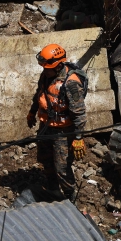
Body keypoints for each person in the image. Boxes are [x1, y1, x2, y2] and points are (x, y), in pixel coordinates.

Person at [26, 43, 87, 200]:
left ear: (58, 65)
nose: (44, 70)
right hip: (46, 127)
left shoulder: (71, 83)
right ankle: (53, 190)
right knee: (45, 159)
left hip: (63, 132)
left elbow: (79, 113)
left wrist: (78, 138)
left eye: (47, 67)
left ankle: (70, 197)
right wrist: (32, 112)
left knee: (62, 168)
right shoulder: (46, 76)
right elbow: (39, 94)